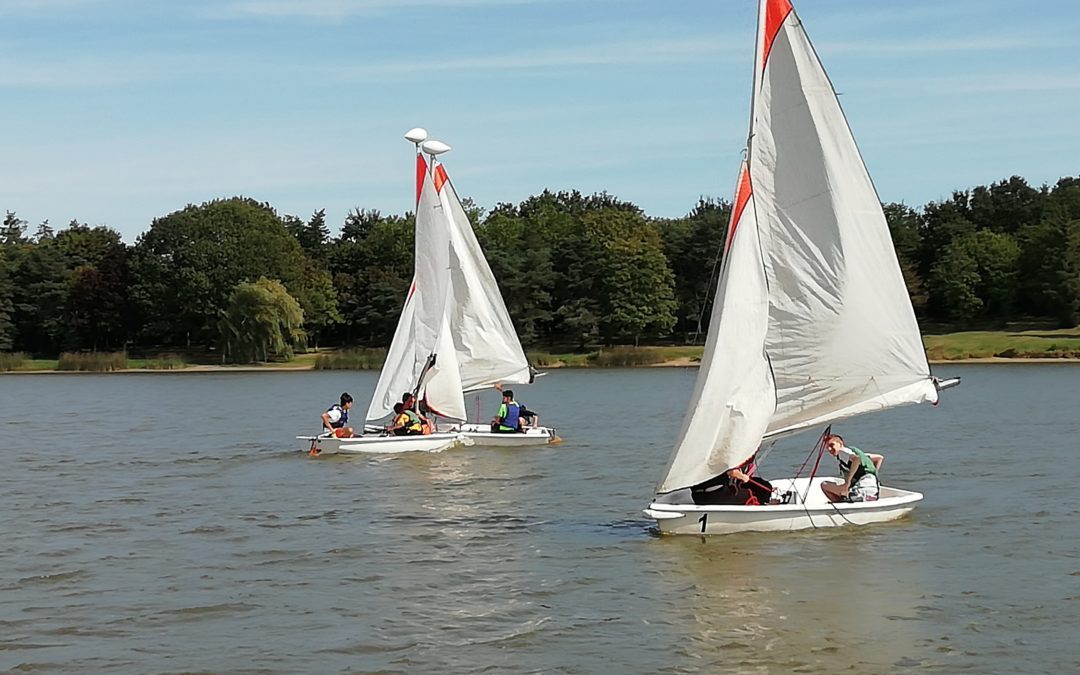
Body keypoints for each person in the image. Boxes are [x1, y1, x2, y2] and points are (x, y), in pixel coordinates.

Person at [691, 452, 775, 505]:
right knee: (761, 490)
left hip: (697, 496)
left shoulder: (700, 455)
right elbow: (732, 472)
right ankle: (760, 507)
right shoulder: (720, 454)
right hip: (715, 495)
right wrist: (743, 477)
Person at [821, 434, 884, 503]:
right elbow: (879, 458)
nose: (829, 449)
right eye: (827, 447)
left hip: (860, 491)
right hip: (873, 490)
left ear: (841, 444)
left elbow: (856, 459)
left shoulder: (842, 452)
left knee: (824, 485)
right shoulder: (861, 455)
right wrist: (874, 475)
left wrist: (848, 481)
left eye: (831, 445)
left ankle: (841, 505)